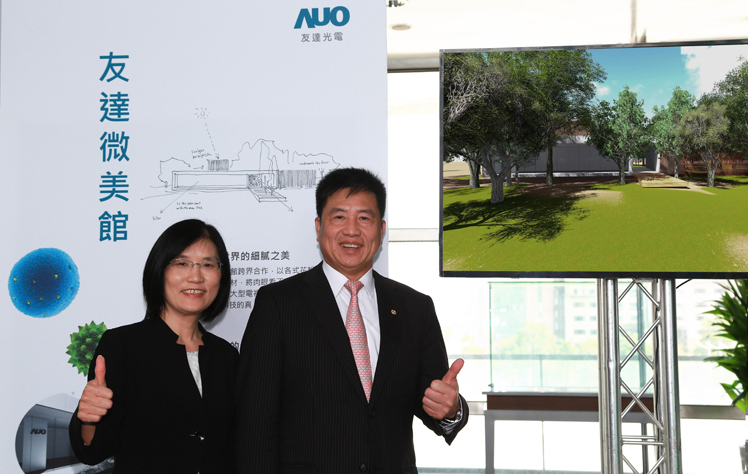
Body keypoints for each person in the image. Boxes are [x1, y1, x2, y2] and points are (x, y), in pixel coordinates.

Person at [236, 167, 468, 473]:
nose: (351, 231)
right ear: (319, 226)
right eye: (339, 217)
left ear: (381, 229)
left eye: (364, 218)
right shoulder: (278, 303)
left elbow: (435, 400)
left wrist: (451, 409)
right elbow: (255, 421)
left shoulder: (415, 308)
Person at [69, 219, 239, 474]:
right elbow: (93, 452)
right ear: (160, 270)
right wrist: (89, 420)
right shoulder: (123, 345)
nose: (196, 276)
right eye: (182, 263)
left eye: (208, 264)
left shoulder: (227, 356)